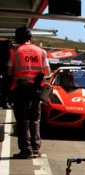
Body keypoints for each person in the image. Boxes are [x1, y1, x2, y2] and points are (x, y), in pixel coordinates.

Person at [6, 27, 50, 159]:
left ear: (17, 39)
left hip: (20, 90)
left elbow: (8, 72)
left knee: (22, 120)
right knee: (35, 119)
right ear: (30, 38)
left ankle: (26, 150)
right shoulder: (41, 52)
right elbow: (47, 72)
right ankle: (36, 149)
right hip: (36, 90)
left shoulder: (14, 52)